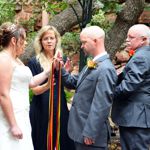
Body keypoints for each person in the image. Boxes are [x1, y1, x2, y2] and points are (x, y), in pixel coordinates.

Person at [56, 26, 117, 150]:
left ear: (96, 41)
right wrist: (60, 69)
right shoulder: (93, 63)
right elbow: (73, 83)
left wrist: (90, 132)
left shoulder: (105, 69)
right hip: (79, 130)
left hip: (90, 136)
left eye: (84, 42)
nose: (82, 46)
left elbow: (101, 104)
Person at [0, 22, 50, 150]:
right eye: (24, 40)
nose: (26, 43)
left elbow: (30, 82)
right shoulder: (4, 59)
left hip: (22, 115)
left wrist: (49, 71)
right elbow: (3, 94)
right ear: (13, 40)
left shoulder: (16, 59)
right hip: (10, 116)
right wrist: (13, 125)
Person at [28, 25, 75, 150]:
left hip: (60, 106)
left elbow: (68, 88)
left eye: (52, 38)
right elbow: (35, 90)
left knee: (62, 141)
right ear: (41, 42)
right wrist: (47, 85)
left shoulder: (62, 59)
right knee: (41, 141)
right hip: (41, 107)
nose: (49, 41)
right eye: (45, 39)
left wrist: (67, 74)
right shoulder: (34, 62)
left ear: (56, 40)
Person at [111, 24, 150, 150]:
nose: (127, 40)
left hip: (135, 116)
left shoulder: (141, 57)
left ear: (144, 39)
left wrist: (107, 93)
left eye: (131, 37)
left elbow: (129, 86)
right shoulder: (143, 55)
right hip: (137, 115)